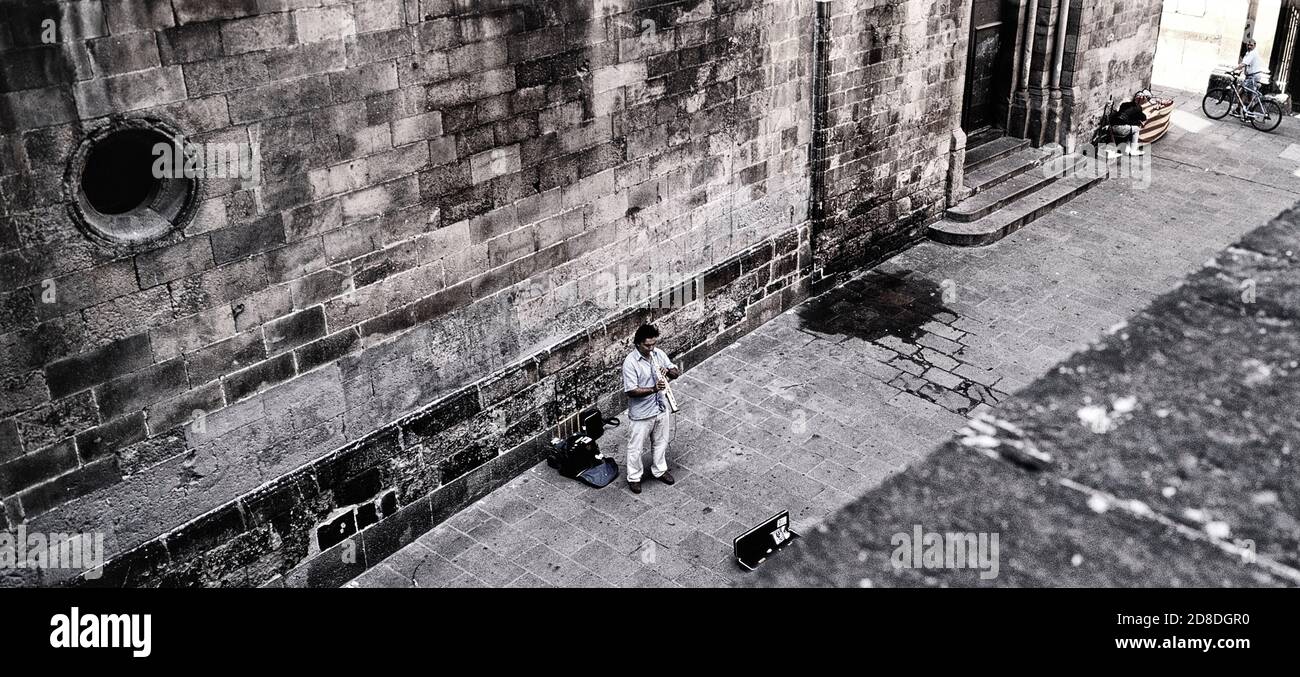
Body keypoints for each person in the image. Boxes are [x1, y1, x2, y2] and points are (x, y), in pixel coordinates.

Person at [621, 324, 680, 494]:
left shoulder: (657, 353)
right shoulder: (630, 363)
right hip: (641, 414)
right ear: (638, 343)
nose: (651, 348)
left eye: (653, 344)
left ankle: (660, 470)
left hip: (661, 408)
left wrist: (668, 371)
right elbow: (631, 391)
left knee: (661, 441)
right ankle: (634, 477)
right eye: (648, 345)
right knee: (635, 448)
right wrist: (654, 388)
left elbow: (676, 372)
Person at [1235, 38, 1266, 118]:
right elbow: (1245, 65)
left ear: (1255, 45)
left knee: (1248, 95)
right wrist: (1240, 71)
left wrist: (1233, 70)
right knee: (1242, 92)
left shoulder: (1252, 53)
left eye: (1251, 45)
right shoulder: (1248, 53)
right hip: (1250, 76)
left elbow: (1243, 64)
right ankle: (1238, 110)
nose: (1249, 46)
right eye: (1248, 45)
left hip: (1253, 77)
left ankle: (1248, 115)